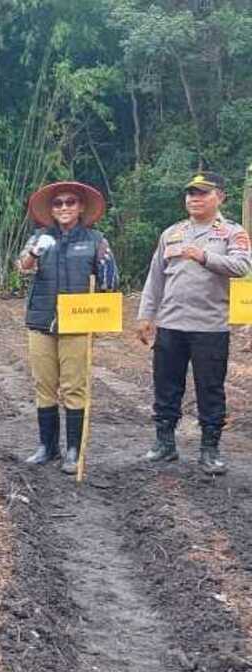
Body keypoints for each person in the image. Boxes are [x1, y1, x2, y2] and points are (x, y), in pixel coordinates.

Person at [137, 171, 250, 474]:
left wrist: (203, 257)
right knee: (166, 385)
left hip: (210, 327)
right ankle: (164, 444)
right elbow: (155, 278)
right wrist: (146, 315)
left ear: (220, 196)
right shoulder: (172, 232)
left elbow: (242, 266)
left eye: (202, 193)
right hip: (172, 324)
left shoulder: (231, 232)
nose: (194, 199)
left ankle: (209, 450)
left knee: (210, 388)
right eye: (190, 193)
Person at [16, 181, 118, 474]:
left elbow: (109, 281)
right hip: (41, 319)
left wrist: (98, 310)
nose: (64, 207)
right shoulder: (38, 237)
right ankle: (47, 447)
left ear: (81, 207)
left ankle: (74, 450)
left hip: (77, 323)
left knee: (74, 386)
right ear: (51, 209)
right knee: (44, 385)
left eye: (70, 202)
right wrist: (35, 253)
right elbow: (21, 267)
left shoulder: (96, 240)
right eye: (58, 203)